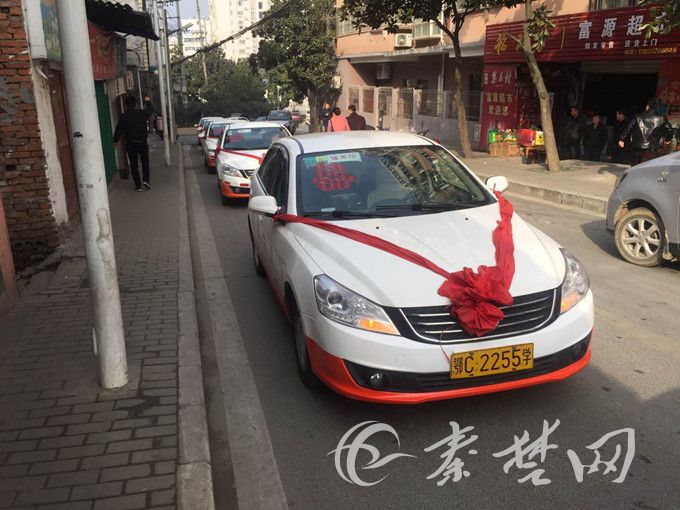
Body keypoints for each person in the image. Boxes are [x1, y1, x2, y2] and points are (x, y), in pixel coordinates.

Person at [113, 94, 151, 192]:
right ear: (136, 104)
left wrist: (115, 141)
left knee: (134, 165)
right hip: (142, 142)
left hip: (131, 144)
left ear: (126, 105)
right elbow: (151, 110)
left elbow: (119, 129)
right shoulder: (142, 113)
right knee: (145, 162)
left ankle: (138, 186)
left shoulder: (124, 116)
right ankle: (146, 180)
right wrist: (147, 101)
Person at [618, 98, 673, 165]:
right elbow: (670, 130)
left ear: (647, 106)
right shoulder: (661, 118)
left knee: (636, 167)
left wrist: (622, 139)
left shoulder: (638, 116)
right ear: (657, 108)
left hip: (637, 148)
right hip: (652, 149)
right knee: (649, 168)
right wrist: (668, 139)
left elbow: (628, 128)